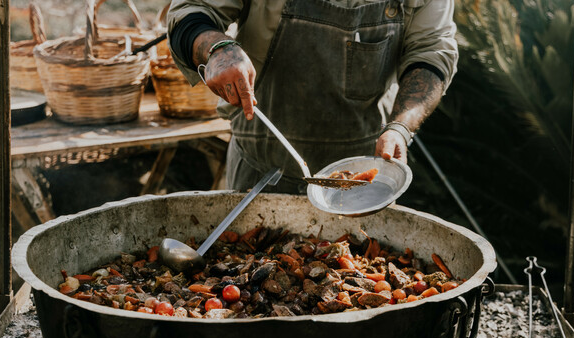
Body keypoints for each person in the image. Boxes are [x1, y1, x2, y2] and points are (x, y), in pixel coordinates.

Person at [167, 0, 458, 194]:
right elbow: (191, 10)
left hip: (363, 181)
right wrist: (217, 48)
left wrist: (400, 127)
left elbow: (432, 51)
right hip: (261, 175)